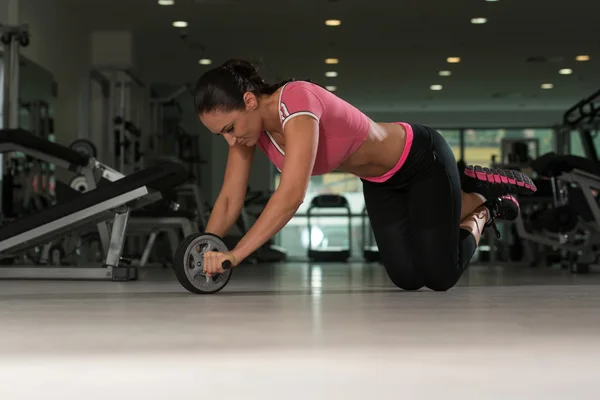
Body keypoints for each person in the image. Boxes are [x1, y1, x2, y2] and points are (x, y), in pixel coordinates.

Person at [194, 59, 537, 291]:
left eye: (229, 128)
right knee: (407, 278)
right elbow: (229, 197)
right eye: (220, 135)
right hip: (381, 182)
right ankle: (464, 194)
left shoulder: (295, 101)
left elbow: (292, 194)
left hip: (421, 159)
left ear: (251, 101)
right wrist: (205, 248)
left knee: (440, 275)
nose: (230, 140)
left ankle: (484, 205)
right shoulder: (248, 132)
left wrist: (236, 254)